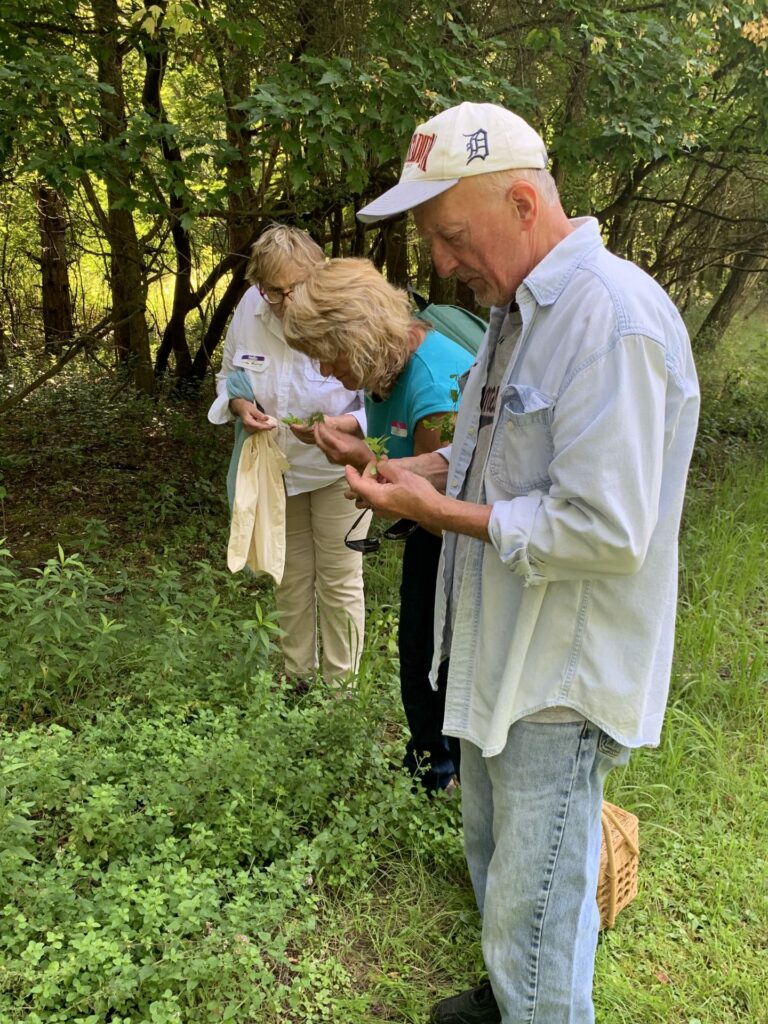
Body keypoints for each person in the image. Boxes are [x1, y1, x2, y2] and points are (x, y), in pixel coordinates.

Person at [346, 102, 700, 1023]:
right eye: (433, 239)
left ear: (521, 201)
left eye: (453, 234)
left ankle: (533, 1004)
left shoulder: (610, 321)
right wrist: (398, 469)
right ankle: (509, 1000)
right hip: (498, 650)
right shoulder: (512, 314)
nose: (441, 263)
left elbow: (606, 528)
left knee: (538, 902)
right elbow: (482, 464)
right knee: (501, 863)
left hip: (557, 673)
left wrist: (440, 512)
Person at [281, 257, 474, 793]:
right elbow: (406, 462)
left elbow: (444, 502)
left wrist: (376, 482)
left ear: (359, 336)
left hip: (461, 544)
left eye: (327, 356)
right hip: (432, 536)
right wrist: (359, 451)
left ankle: (446, 775)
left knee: (441, 659)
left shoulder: (437, 387)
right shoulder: (388, 365)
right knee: (416, 653)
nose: (325, 372)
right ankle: (428, 766)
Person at [207, 224, 367, 685]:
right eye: (271, 291)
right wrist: (240, 406)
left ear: (315, 274)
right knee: (289, 576)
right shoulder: (250, 310)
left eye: (292, 289)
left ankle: (342, 693)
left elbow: (378, 397)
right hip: (277, 469)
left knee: (338, 579)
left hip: (338, 471)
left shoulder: (345, 311)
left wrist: (343, 427)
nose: (282, 302)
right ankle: (298, 680)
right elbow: (227, 377)